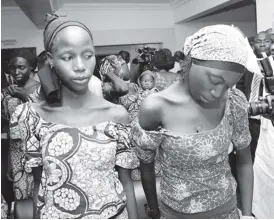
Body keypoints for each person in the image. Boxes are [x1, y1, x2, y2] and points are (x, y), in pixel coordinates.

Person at [9, 14, 139, 219]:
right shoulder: (32, 116)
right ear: (50, 60)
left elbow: (127, 184)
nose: (80, 66)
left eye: (87, 55)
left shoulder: (116, 115)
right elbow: (38, 188)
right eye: (68, 57)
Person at [132, 25, 253, 219]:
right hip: (176, 214)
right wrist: (154, 211)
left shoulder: (233, 101)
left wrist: (246, 215)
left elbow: (245, 161)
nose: (218, 92)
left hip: (227, 210)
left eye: (228, 85)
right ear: (189, 62)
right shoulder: (156, 107)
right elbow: (146, 166)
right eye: (214, 80)